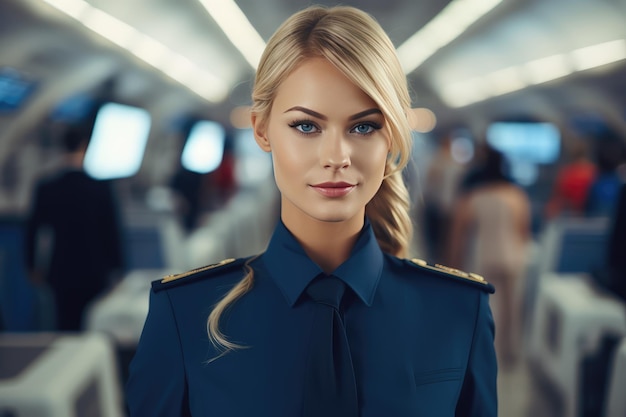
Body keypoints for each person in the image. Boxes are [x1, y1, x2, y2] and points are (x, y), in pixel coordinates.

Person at [126, 6, 497, 416]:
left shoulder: (458, 311)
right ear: (262, 130)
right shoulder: (186, 316)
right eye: (306, 126)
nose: (336, 156)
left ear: (390, 134)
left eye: (364, 126)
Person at [24, 122, 125, 331]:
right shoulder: (100, 188)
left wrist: (32, 266)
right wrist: (118, 269)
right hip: (95, 268)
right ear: (84, 146)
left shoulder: (47, 187)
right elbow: (111, 232)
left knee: (65, 324)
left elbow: (33, 230)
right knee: (93, 323)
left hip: (60, 269)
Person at [447, 144, 531, 368]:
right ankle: (511, 352)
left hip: (484, 256)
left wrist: (452, 264)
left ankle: (487, 353)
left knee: (488, 308)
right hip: (514, 255)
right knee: (513, 306)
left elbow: (458, 235)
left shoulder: (474, 195)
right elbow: (523, 230)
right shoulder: (516, 194)